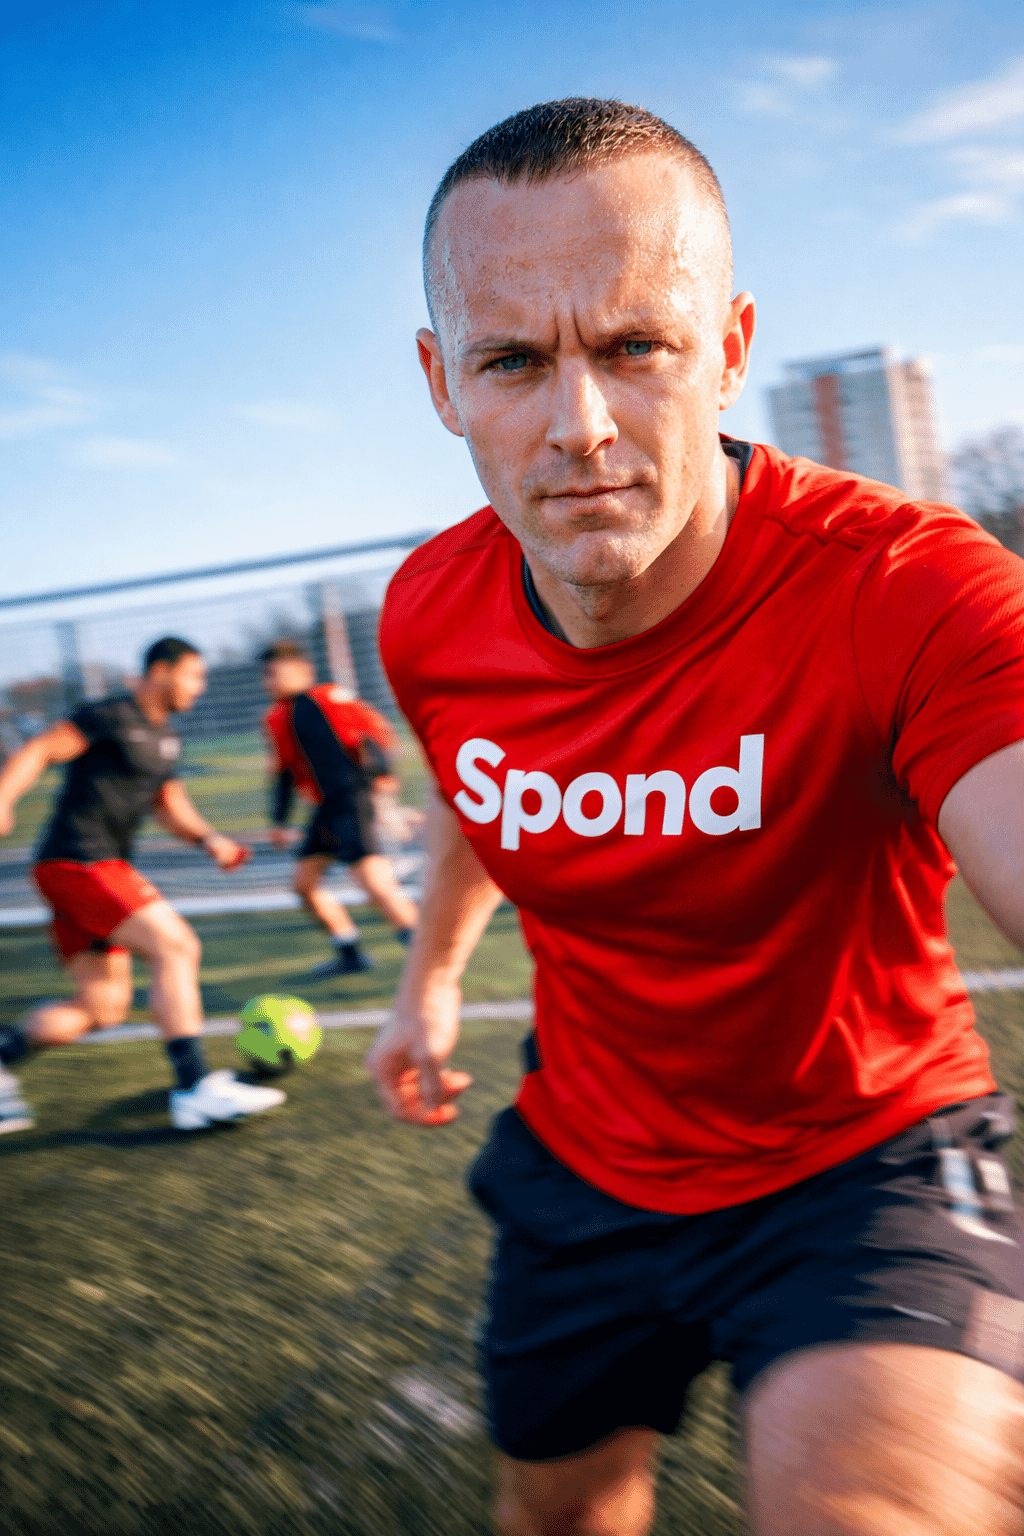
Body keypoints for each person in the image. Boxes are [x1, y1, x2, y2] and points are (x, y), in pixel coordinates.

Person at [366, 98, 1024, 1536]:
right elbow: (480, 791)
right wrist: (424, 984)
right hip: (585, 1161)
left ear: (725, 350)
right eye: (514, 361)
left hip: (864, 1165)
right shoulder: (425, 616)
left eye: (635, 347)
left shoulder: (905, 589)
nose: (580, 425)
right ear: (441, 380)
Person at [0, 636, 286, 1134]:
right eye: (193, 675)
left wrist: (210, 839)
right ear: (161, 671)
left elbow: (170, 806)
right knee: (175, 945)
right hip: (78, 860)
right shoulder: (111, 713)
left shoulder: (166, 738)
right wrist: (3, 798)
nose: (199, 687)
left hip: (90, 867)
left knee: (100, 1008)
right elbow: (43, 749)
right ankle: (193, 1088)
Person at [259, 640, 418, 977]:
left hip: (353, 797)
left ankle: (423, 949)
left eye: (274, 673)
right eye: (265, 675)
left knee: (374, 882)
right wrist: (279, 820)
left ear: (302, 671)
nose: (267, 682)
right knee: (304, 884)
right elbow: (284, 772)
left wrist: (383, 776)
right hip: (326, 808)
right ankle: (350, 952)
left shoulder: (327, 697)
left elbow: (374, 735)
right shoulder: (277, 717)